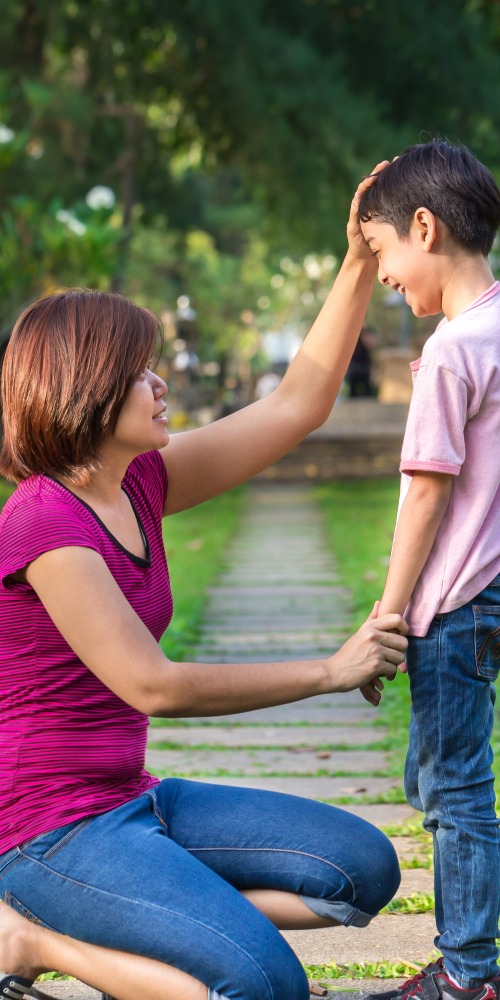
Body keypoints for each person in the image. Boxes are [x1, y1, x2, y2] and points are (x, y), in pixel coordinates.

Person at [0, 170, 408, 1000]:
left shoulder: (138, 481)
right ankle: (32, 940)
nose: (161, 384)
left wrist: (359, 256)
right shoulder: (42, 522)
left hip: (136, 799)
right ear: (85, 385)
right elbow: (155, 685)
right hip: (47, 830)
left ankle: (167, 916)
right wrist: (331, 671)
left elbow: (296, 405)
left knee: (361, 868)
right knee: (265, 988)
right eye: (141, 372)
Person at [357, 140, 500, 1000]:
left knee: (453, 793)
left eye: (380, 253)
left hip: (454, 601)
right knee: (437, 777)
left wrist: (390, 611)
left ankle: (469, 974)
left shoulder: (453, 350)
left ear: (424, 227)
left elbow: (425, 495)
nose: (380, 275)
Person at [345, 325, 376, 398]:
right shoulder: (351, 333)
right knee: (352, 393)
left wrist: (364, 333)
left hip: (364, 367)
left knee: (367, 392)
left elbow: (370, 344)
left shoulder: (366, 332)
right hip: (353, 367)